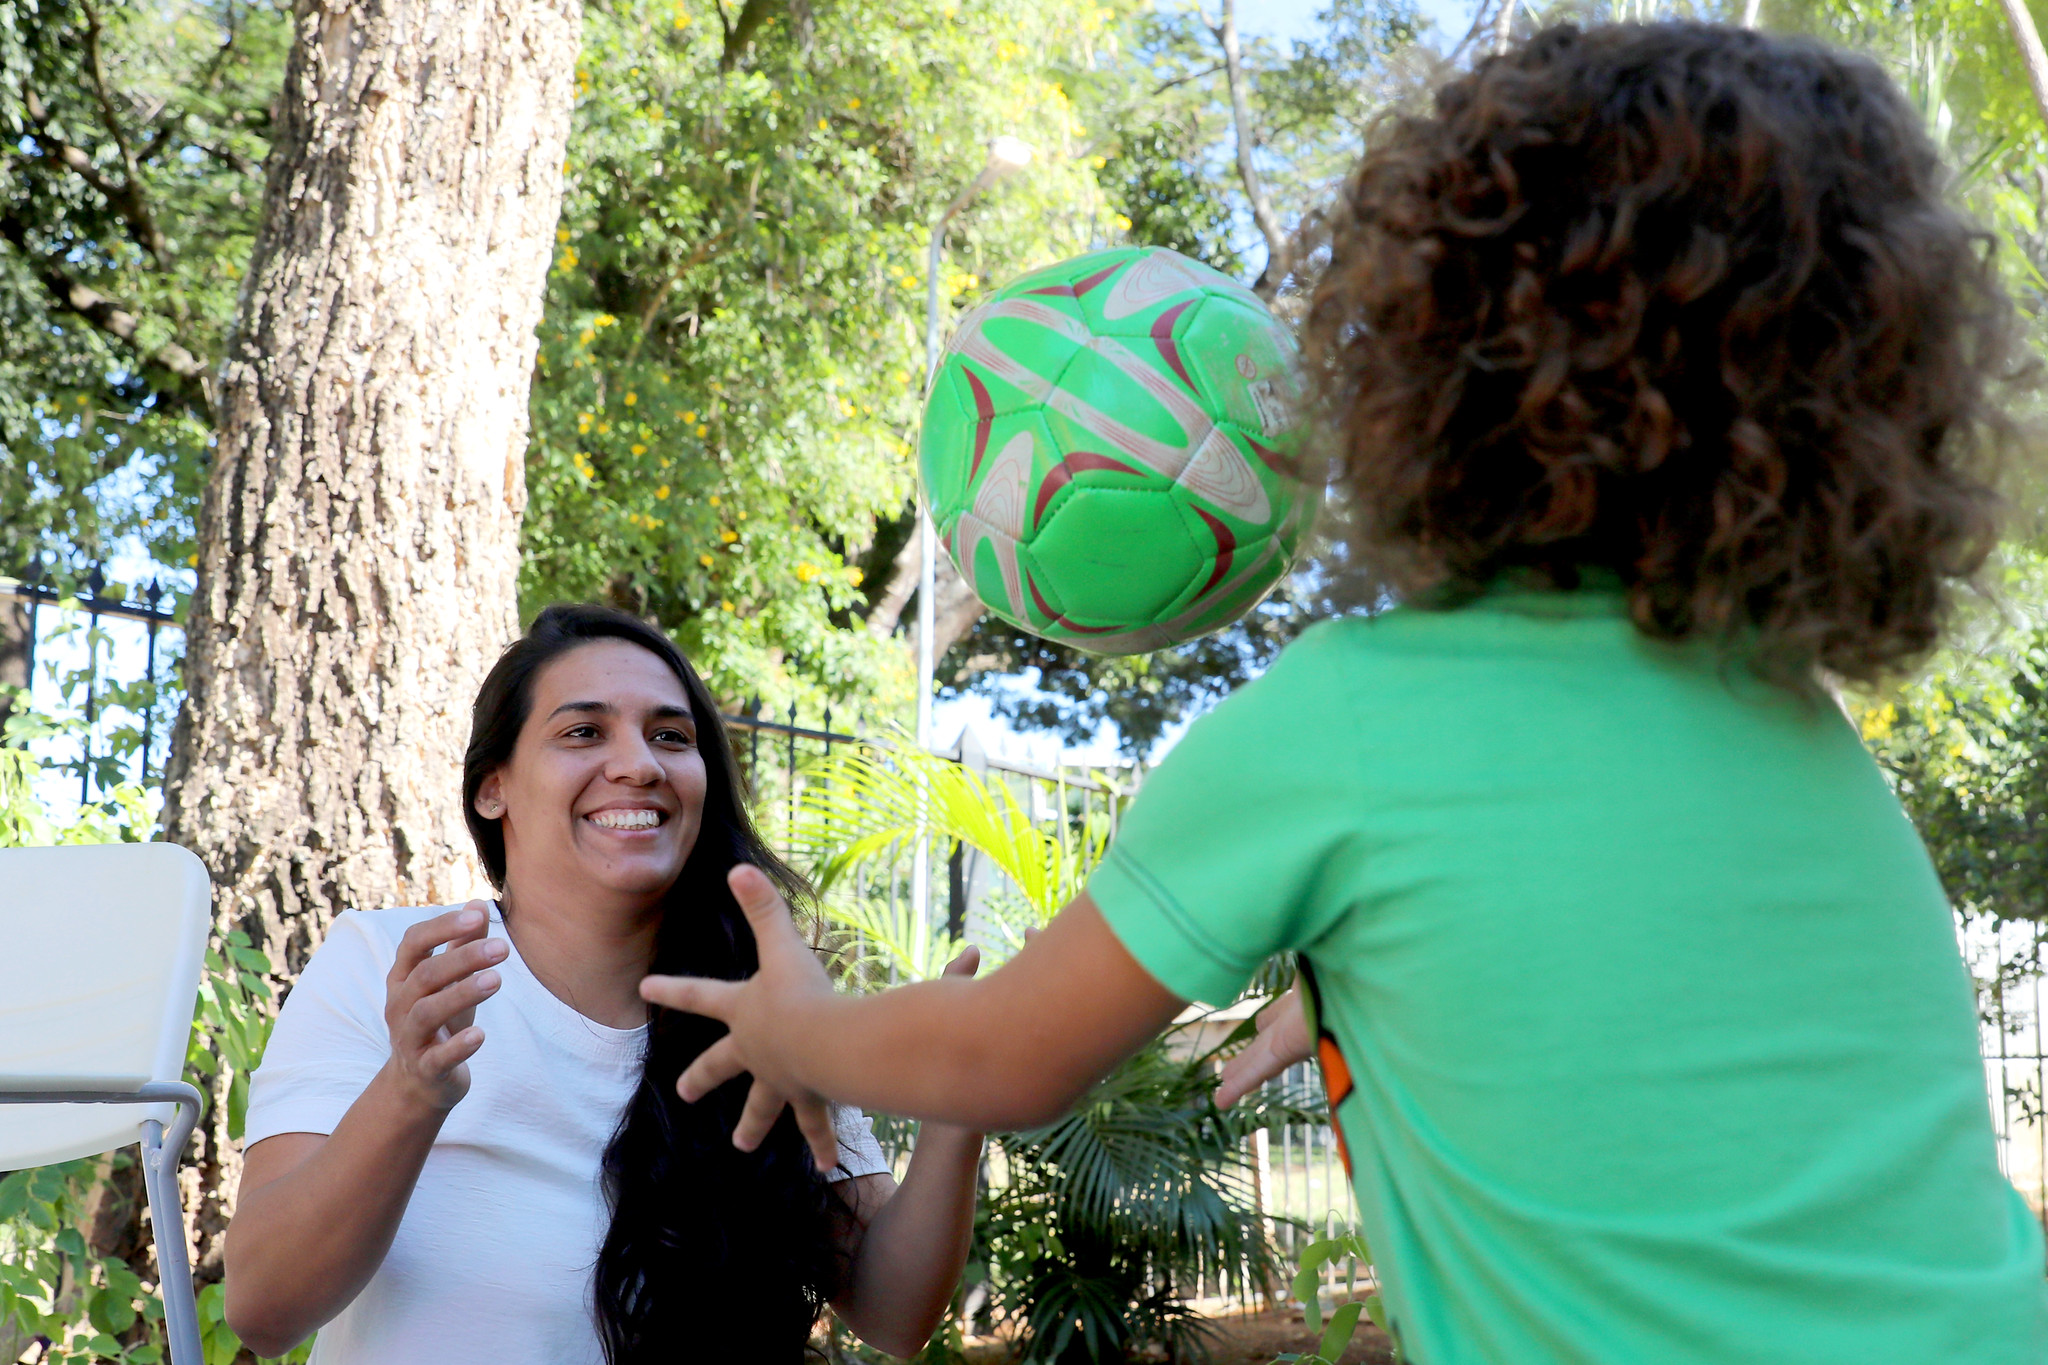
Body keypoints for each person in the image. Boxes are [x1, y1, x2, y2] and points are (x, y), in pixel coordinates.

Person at [641, 23, 2048, 1364]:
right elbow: (1676, 1010)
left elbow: (1007, 1053)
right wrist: (1388, 989)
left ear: (1435, 338)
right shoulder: (1794, 719)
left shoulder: (1354, 721)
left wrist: (792, 1027)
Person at [222, 604, 983, 1364]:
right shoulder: (388, 964)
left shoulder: (764, 1002)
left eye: (671, 736)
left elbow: (894, 1311)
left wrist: (957, 1101)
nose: (640, 764)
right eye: (583, 732)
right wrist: (410, 1091)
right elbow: (264, 1309)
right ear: (493, 788)